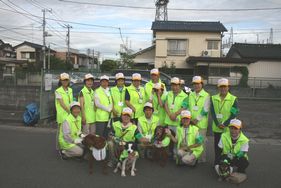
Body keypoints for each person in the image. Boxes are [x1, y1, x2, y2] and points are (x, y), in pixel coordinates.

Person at [210, 78, 239, 165]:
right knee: (217, 147)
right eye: (221, 87)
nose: (223, 88)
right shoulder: (213, 98)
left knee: (227, 147)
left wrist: (225, 124)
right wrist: (217, 123)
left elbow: (234, 114)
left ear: (228, 87)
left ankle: (227, 164)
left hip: (228, 128)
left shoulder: (233, 99)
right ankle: (217, 163)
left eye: (225, 86)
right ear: (218, 88)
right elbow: (212, 112)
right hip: (217, 127)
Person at [182, 76, 210, 163]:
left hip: (201, 123)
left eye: (198, 84)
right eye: (194, 84)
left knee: (200, 141)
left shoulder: (207, 95)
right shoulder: (191, 94)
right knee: (193, 140)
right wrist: (189, 118)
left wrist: (196, 120)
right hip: (191, 122)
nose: (196, 86)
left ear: (202, 84)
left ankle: (202, 158)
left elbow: (205, 109)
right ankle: (193, 157)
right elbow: (188, 107)